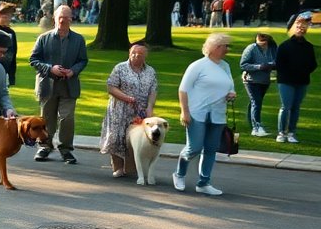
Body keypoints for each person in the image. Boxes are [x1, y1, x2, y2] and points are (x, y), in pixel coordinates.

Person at [173, 34, 237, 195]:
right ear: (216, 47)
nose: (227, 50)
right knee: (194, 147)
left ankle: (204, 182)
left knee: (211, 149)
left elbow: (230, 85)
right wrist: (184, 112)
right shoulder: (198, 66)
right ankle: (179, 174)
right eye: (225, 46)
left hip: (218, 114)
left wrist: (231, 93)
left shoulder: (225, 66)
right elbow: (183, 89)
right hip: (197, 113)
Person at [29, 4, 88, 164]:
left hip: (69, 85)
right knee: (47, 118)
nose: (63, 21)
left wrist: (73, 71)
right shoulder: (44, 38)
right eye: (60, 17)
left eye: (66, 18)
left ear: (71, 19)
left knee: (67, 118)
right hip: (48, 85)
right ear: (55, 18)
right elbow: (33, 60)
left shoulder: (78, 39)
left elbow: (83, 60)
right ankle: (44, 147)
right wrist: (50, 68)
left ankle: (66, 149)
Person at [98, 41, 158, 178]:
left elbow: (153, 91)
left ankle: (130, 168)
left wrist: (150, 108)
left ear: (146, 55)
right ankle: (118, 167)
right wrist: (126, 98)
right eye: (133, 53)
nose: (136, 56)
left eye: (140, 54)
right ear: (129, 53)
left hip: (139, 111)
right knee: (116, 138)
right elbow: (111, 87)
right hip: (119, 109)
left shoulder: (150, 72)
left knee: (134, 139)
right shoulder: (120, 68)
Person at [275, 14, 316, 144]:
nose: (301, 29)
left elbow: (312, 64)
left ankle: (292, 132)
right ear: (294, 28)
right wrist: (291, 72)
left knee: (296, 107)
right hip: (286, 81)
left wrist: (303, 71)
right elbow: (279, 64)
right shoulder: (284, 46)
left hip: (302, 81)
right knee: (285, 107)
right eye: (298, 27)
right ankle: (281, 132)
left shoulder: (309, 47)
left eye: (303, 27)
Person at [240, 33, 277, 138]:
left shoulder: (273, 48)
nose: (262, 46)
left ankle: (252, 123)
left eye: (264, 44)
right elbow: (243, 65)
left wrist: (272, 65)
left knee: (255, 102)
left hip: (265, 80)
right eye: (260, 43)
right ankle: (256, 127)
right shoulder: (251, 48)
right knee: (256, 102)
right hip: (251, 80)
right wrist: (259, 67)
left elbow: (277, 60)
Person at [0, 2, 20, 86]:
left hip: (6, 70)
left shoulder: (11, 33)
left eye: (9, 16)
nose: (7, 19)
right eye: (4, 16)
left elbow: (13, 54)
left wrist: (12, 75)